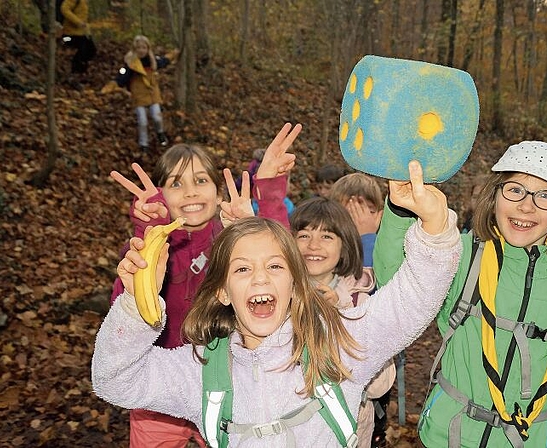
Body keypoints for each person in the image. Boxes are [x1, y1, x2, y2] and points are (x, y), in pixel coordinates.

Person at [92, 160, 462, 447]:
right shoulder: (201, 369)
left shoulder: (339, 343)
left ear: (295, 284)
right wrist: (136, 306)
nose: (260, 278)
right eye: (241, 269)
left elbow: (413, 298)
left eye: (274, 266)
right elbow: (114, 380)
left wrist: (434, 225)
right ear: (221, 291)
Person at [373, 141, 547, 448]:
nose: (527, 206)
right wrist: (400, 208)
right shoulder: (461, 257)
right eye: (515, 190)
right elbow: (396, 283)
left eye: (546, 196)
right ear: (494, 196)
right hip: (449, 438)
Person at [107, 123, 301, 448]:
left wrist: (267, 192)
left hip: (224, 382)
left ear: (217, 191)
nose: (191, 192)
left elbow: (281, 267)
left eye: (201, 181)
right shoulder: (152, 247)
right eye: (176, 184)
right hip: (160, 387)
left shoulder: (229, 243)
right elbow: (126, 312)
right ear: (160, 195)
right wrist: (150, 232)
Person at [289, 196, 395, 447]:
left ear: (344, 246)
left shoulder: (360, 301)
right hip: (293, 429)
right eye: (304, 235)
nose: (313, 245)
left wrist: (342, 313)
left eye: (327, 236)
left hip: (350, 429)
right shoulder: (277, 297)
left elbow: (380, 385)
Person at [328, 174, 391, 446]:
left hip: (373, 376)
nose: (353, 221)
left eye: (364, 211)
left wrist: (367, 237)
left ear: (379, 214)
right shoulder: (327, 250)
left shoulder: (385, 247)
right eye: (345, 214)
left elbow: (377, 282)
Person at [116, 35, 171, 151]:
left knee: (157, 117)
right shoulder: (131, 64)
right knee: (142, 120)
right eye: (139, 48)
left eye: (144, 48)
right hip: (138, 95)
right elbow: (122, 77)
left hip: (152, 94)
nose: (141, 50)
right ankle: (143, 143)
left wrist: (174, 55)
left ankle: (160, 133)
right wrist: (119, 82)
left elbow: (164, 61)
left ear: (148, 49)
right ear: (134, 49)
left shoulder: (152, 60)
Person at [60, 0, 96, 76]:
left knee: (91, 50)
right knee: (82, 48)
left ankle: (81, 69)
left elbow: (84, 18)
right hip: (68, 36)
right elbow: (64, 9)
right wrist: (77, 22)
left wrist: (88, 32)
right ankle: (76, 71)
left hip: (81, 33)